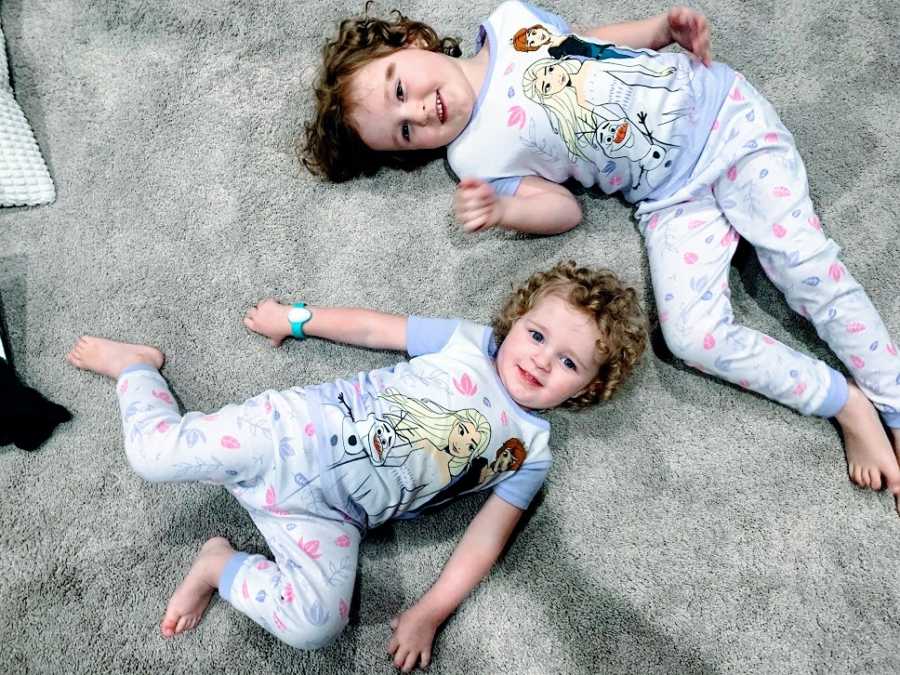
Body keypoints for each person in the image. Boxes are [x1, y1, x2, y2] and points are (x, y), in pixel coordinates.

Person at [301, 1, 900, 510]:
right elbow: (565, 211)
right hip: (669, 197)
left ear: (413, 42)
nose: (418, 112)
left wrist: (659, 30)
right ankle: (842, 401)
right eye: (405, 131)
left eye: (400, 88)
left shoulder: (508, 19)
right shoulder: (474, 159)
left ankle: (892, 402)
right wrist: (504, 211)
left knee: (805, 267)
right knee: (691, 336)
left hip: (722, 117)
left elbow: (587, 45)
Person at [66, 261, 647, 672]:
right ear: (514, 321)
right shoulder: (468, 343)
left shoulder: (532, 453)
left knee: (316, 625)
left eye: (568, 361)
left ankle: (220, 565)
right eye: (536, 334)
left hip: (335, 518)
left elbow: (484, 540)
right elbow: (376, 328)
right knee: (151, 455)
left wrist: (429, 612)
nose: (541, 360)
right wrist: (296, 319)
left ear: (588, 389)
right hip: (290, 436)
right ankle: (135, 370)